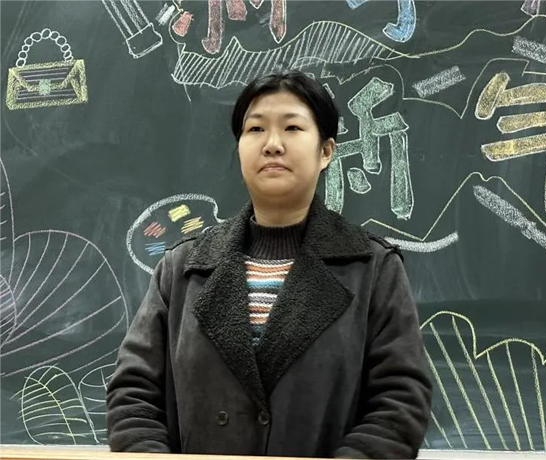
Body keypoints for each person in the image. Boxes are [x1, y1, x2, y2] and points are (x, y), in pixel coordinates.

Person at [105, 70, 433, 459]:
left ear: (326, 151)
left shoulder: (373, 268)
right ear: (240, 146)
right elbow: (133, 394)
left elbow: (399, 402)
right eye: (256, 129)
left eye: (292, 128)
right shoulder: (182, 269)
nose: (272, 144)